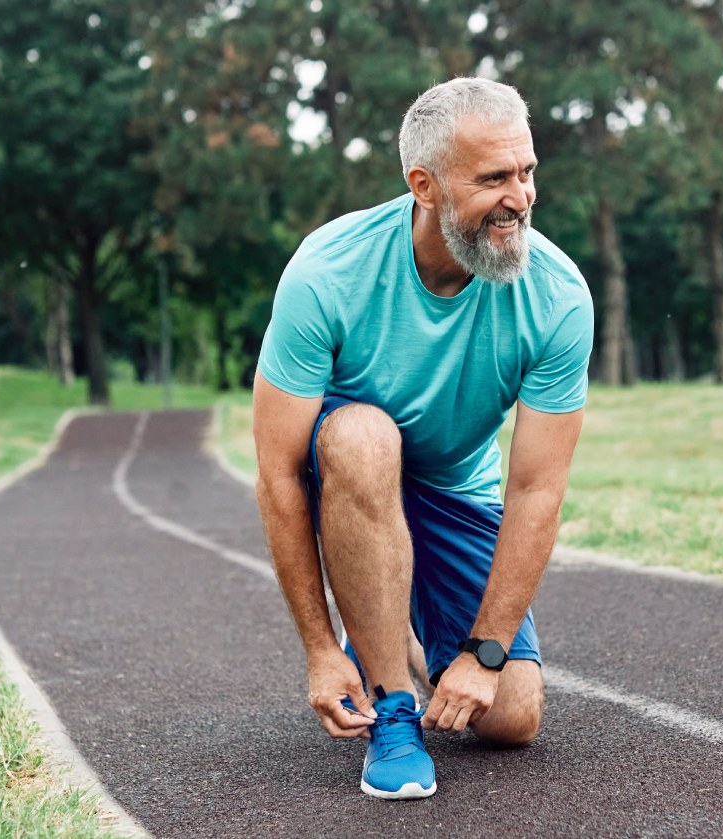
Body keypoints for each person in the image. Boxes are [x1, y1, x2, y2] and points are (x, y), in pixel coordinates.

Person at [251, 77, 593, 801]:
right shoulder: (327, 272)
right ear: (425, 186)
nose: (521, 197)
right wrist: (317, 648)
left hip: (448, 485)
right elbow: (278, 471)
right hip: (342, 469)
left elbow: (536, 487)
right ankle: (393, 710)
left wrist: (484, 652)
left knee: (512, 715)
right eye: (494, 178)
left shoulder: (558, 297)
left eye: (527, 171)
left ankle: (393, 630)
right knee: (367, 436)